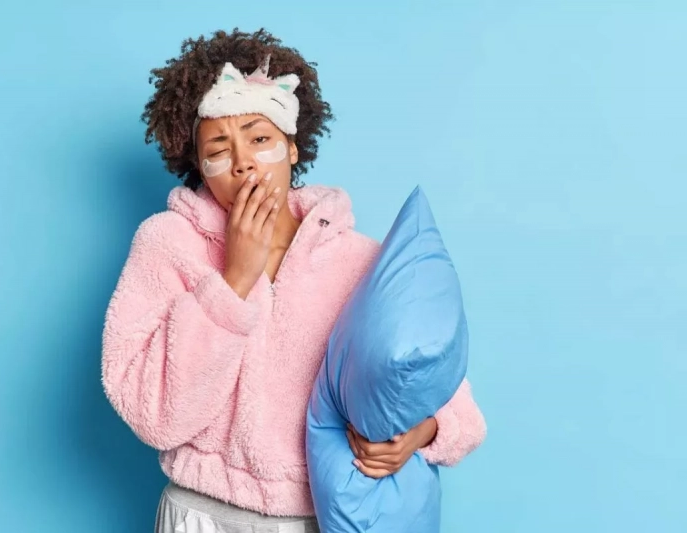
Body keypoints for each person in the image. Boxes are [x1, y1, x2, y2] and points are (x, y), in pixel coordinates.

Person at [101, 28, 487, 532]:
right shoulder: (168, 244)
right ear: (199, 165)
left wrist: (423, 432)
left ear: (292, 148)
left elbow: (450, 398)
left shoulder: (359, 261)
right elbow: (153, 414)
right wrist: (234, 281)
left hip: (315, 518)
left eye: (260, 139)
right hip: (201, 515)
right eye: (219, 146)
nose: (243, 161)